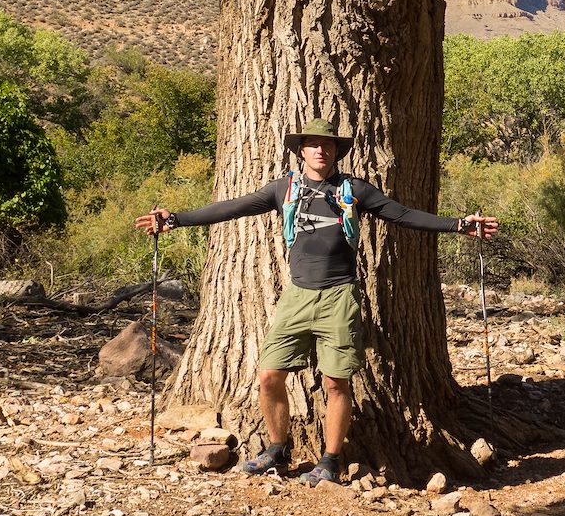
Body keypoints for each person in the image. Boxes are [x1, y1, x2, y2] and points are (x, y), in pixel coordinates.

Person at [135, 117, 497, 484]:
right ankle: (277, 449)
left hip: (340, 296)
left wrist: (458, 225)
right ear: (301, 151)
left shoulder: (354, 189)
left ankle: (330, 459)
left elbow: (401, 215)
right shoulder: (284, 188)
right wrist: (176, 219)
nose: (321, 151)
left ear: (336, 151)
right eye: (313, 145)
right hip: (296, 296)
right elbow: (233, 207)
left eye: (328, 145)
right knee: (269, 374)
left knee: (336, 382)